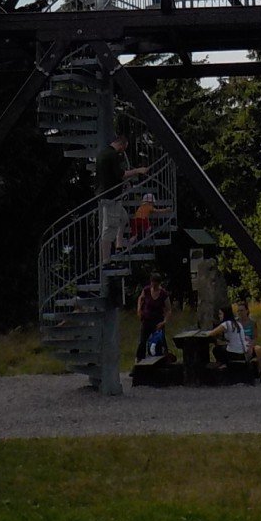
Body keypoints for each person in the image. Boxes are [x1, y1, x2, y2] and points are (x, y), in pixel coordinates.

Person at [95, 134, 148, 264]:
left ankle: (119, 246)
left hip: (106, 194)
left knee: (123, 218)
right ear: (121, 144)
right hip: (111, 196)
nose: (123, 151)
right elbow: (121, 174)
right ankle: (106, 260)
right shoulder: (113, 155)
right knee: (109, 227)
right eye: (124, 148)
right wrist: (138, 170)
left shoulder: (103, 153)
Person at [136, 272, 172, 359]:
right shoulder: (146, 290)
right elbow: (141, 298)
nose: (154, 286)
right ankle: (139, 359)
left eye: (156, 284)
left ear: (159, 283)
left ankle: (160, 358)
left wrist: (164, 322)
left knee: (158, 342)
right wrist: (139, 309)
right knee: (142, 341)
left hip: (158, 321)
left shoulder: (163, 294)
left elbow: (169, 310)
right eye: (152, 283)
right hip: (146, 319)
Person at [235, 298, 261, 380]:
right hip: (239, 343)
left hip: (249, 343)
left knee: (259, 349)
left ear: (247, 311)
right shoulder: (235, 323)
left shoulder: (252, 323)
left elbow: (255, 337)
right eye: (238, 311)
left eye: (242, 310)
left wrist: (251, 346)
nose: (240, 313)